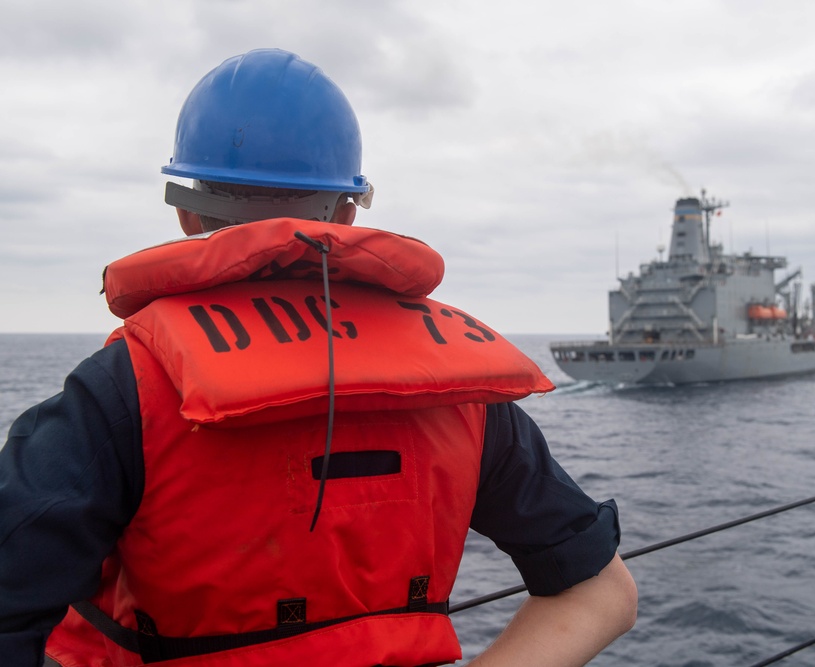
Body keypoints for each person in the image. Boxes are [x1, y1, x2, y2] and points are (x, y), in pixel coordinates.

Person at [0, 49, 636, 666]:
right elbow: (604, 591)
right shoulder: (460, 393)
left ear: (188, 211)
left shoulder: (122, 392)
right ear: (351, 209)